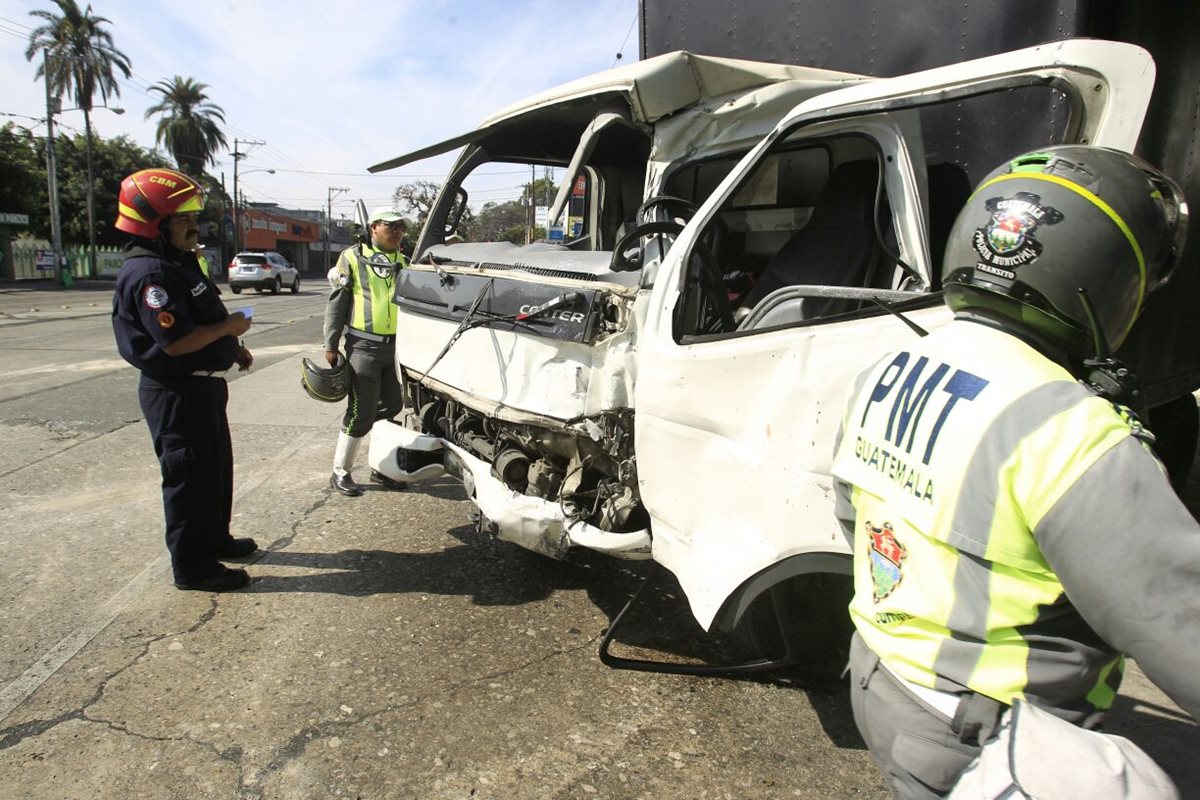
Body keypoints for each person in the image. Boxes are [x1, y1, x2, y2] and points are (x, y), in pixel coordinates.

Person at [830, 146, 1198, 798]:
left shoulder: (886, 371)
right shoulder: (1071, 432)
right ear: (1107, 277)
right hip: (986, 733)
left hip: (879, 680)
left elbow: (854, 514)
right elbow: (1180, 624)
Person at [111, 168, 258, 592]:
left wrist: (233, 348)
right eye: (181, 218)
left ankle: (214, 540)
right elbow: (175, 343)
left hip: (203, 386)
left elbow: (200, 318)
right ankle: (193, 567)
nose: (193, 226)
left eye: (192, 217)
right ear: (153, 224)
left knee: (214, 471)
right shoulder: (151, 275)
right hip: (177, 391)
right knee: (188, 478)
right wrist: (229, 329)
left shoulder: (177, 262)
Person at [323, 206, 409, 496]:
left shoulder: (405, 262)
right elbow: (338, 301)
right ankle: (340, 472)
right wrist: (331, 343)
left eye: (401, 227)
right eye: (390, 225)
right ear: (373, 227)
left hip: (395, 348)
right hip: (364, 346)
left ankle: (382, 468)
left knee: (392, 407)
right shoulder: (351, 258)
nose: (397, 231)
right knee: (361, 410)